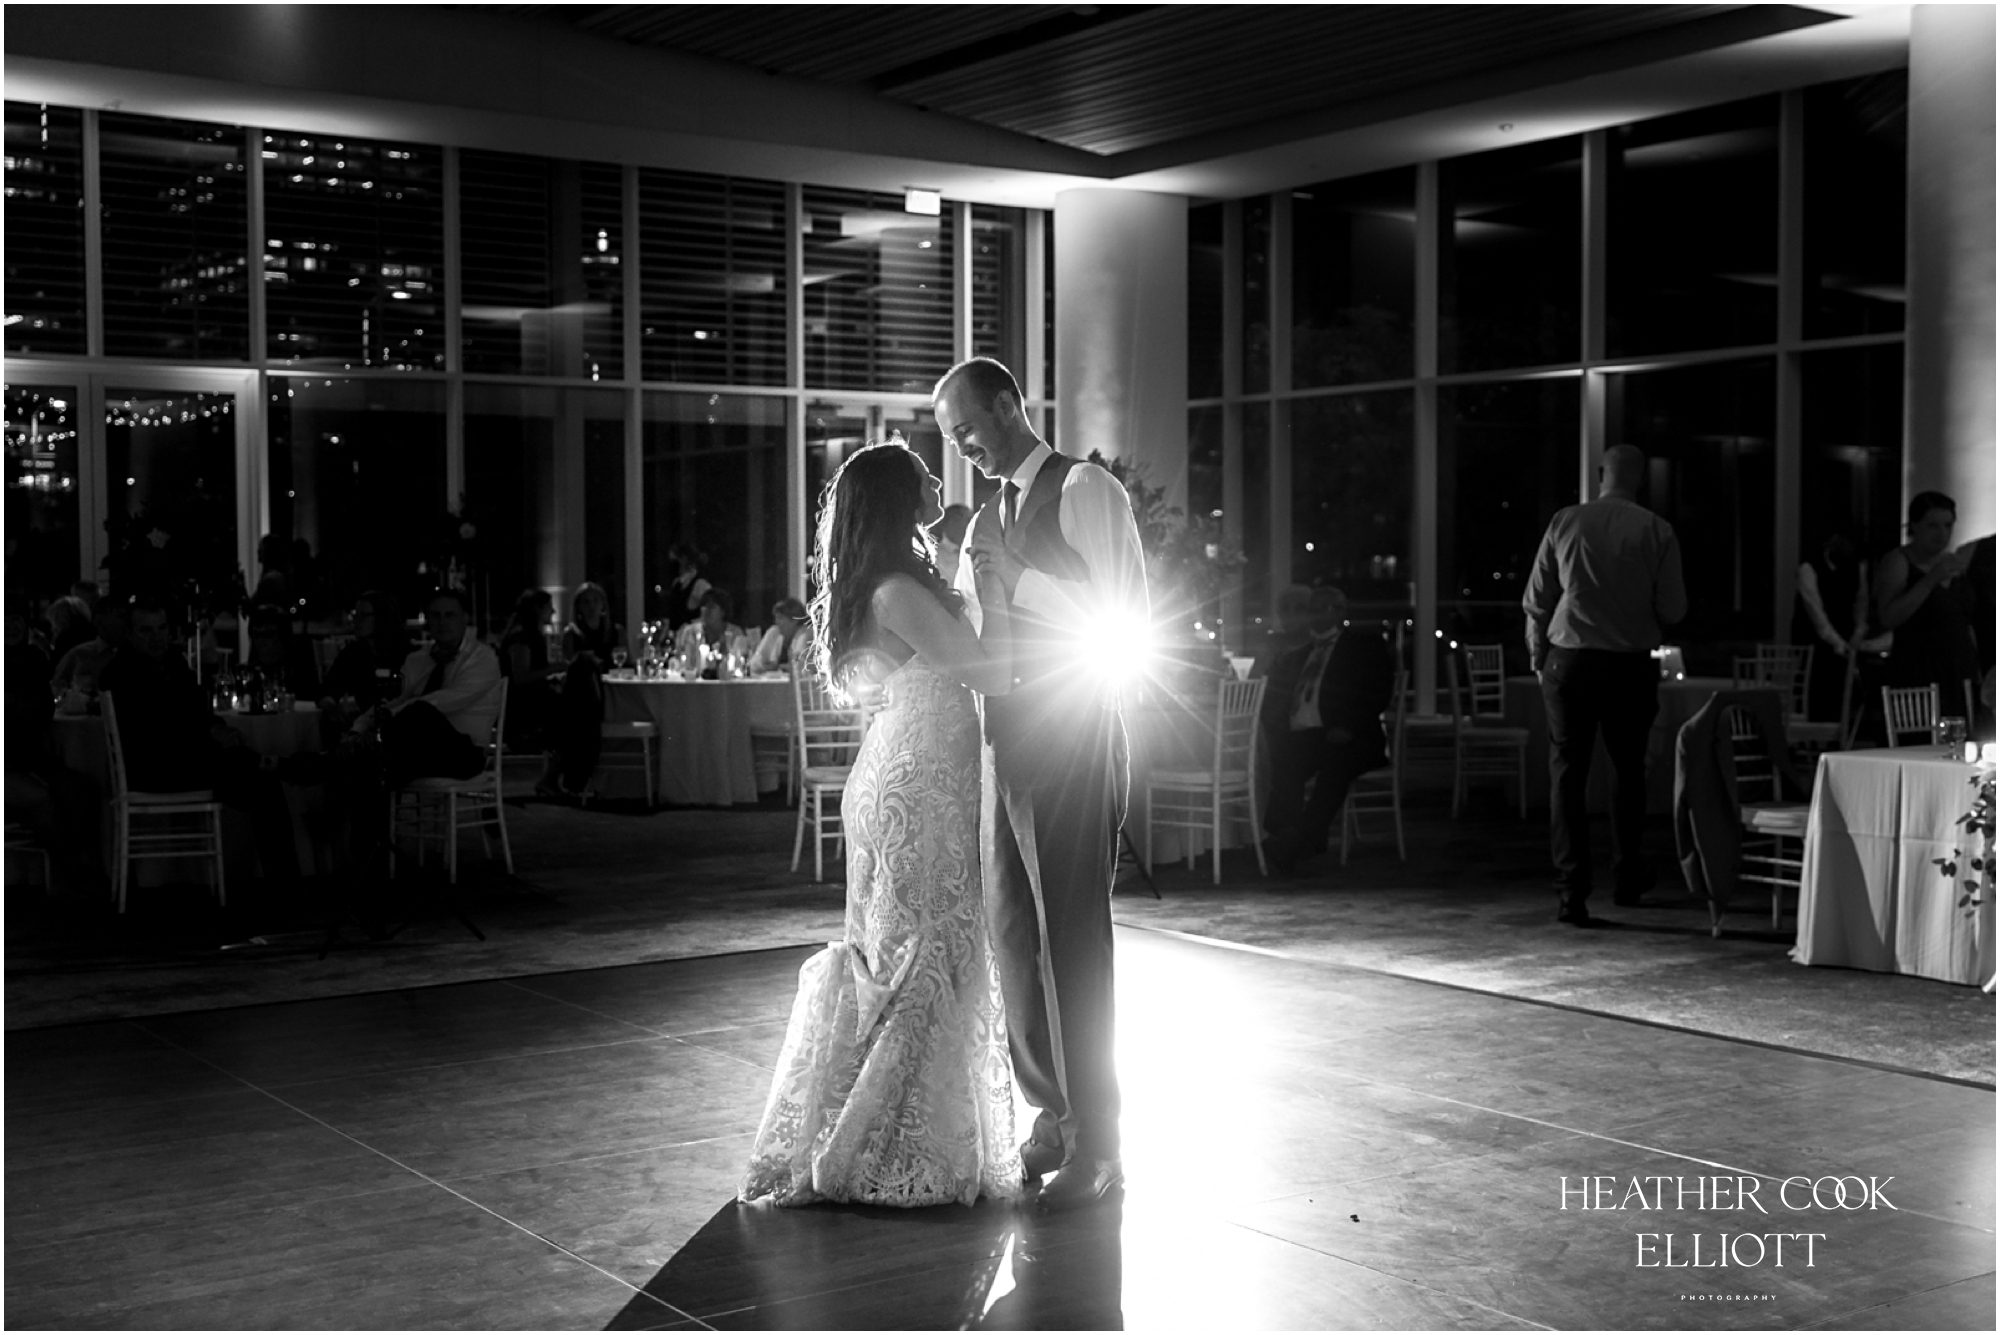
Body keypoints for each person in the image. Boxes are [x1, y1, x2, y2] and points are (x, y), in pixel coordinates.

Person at [739, 440, 1021, 1208]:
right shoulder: (898, 590)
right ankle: (885, 1144)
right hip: (917, 781)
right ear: (900, 500)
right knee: (921, 955)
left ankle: (906, 1129)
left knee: (917, 950)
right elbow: (988, 670)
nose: (938, 479)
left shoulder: (891, 583)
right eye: (924, 475)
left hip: (911, 772)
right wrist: (992, 582)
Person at [936, 355, 1148, 1210]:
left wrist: (1016, 577)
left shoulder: (1089, 491)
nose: (963, 450)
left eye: (968, 428)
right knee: (1014, 939)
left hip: (1074, 737)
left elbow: (1123, 619)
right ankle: (1052, 1116)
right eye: (950, 441)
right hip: (1003, 744)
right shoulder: (986, 515)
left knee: (1074, 942)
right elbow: (975, 641)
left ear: (1009, 404)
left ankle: (1103, 1142)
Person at [1522, 443, 1687, 926]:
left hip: (1570, 660)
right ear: (1639, 480)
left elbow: (1536, 600)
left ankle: (1571, 893)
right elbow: (1674, 608)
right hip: (1628, 665)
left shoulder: (1565, 522)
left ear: (1600, 475)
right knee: (1628, 772)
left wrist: (1539, 658)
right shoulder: (1656, 530)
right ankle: (1628, 877)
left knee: (1567, 775)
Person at [97, 594, 299, 888]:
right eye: (146, 630)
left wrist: (217, 730)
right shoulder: (121, 673)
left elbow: (197, 711)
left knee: (257, 775)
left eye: (162, 628)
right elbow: (156, 732)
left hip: (184, 760)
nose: (157, 637)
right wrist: (212, 737)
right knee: (259, 778)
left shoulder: (173, 663)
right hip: (155, 770)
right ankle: (284, 884)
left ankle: (281, 881)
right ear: (129, 633)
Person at [1259, 584, 1395, 873]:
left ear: (1340, 611)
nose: (1315, 615)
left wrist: (1348, 726)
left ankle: (1298, 840)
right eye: (1313, 609)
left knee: (1336, 763)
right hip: (1309, 736)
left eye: (1322, 608)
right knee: (1284, 759)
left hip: (1352, 736)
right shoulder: (1299, 654)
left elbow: (1378, 692)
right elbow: (1277, 697)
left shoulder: (1362, 646)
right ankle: (1290, 835)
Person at [354, 587, 501, 787]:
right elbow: (394, 700)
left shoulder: (482, 659)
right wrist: (359, 727)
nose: (442, 622)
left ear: (464, 618)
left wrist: (392, 715)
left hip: (463, 753)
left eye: (449, 615)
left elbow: (443, 702)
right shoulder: (417, 660)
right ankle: (348, 759)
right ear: (427, 621)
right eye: (435, 616)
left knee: (421, 711)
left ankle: (348, 758)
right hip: (417, 749)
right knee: (372, 769)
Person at [1872, 490, 1982, 719]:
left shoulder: (1953, 563)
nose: (1942, 534)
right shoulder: (1899, 562)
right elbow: (1888, 617)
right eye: (1933, 526)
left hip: (1958, 668)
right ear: (1915, 526)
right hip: (1919, 668)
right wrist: (1930, 579)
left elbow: (1966, 619)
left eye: (1948, 525)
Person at [547, 581, 624, 797]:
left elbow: (626, 662)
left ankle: (573, 778)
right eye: (586, 602)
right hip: (582, 696)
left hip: (611, 692)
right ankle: (578, 779)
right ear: (579, 607)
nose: (591, 606)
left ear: (603, 605)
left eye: (595, 601)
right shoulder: (571, 634)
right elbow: (570, 669)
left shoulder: (616, 632)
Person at [1792, 533, 1878, 723]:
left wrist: (1858, 632)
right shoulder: (1809, 568)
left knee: (1844, 698)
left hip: (1847, 637)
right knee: (1818, 695)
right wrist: (1837, 642)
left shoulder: (1856, 567)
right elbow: (1816, 614)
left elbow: (1861, 602)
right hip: (1815, 644)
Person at [497, 587, 563, 755]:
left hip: (530, 699)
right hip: (522, 706)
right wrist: (554, 669)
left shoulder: (533, 635)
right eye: (549, 607)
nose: (553, 611)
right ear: (538, 610)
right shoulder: (522, 637)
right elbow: (520, 677)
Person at [50, 595, 131, 699]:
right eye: (120, 615)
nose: (127, 621)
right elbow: (56, 689)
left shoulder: (138, 655)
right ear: (99, 621)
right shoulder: (79, 654)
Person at [242, 603, 321, 698]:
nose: (262, 642)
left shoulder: (302, 675)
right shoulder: (250, 678)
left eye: (268, 635)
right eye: (257, 635)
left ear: (283, 638)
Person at [672, 587, 747, 670]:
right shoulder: (690, 632)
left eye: (711, 607)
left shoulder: (735, 634)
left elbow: (740, 664)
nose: (705, 610)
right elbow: (678, 661)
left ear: (723, 611)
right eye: (703, 606)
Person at [747, 596, 813, 673]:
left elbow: (800, 668)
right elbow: (754, 664)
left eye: (780, 618)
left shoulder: (805, 635)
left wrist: (775, 667)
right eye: (776, 618)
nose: (776, 622)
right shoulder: (775, 633)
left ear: (794, 620)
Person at [663, 542, 712, 632]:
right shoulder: (676, 583)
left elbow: (708, 615)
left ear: (684, 559)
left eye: (675, 561)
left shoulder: (701, 585)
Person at [931, 502, 973, 583]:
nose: (970, 525)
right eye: (968, 520)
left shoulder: (975, 553)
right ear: (950, 522)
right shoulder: (934, 555)